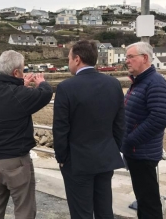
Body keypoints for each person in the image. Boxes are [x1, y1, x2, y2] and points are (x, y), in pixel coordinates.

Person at [53, 40, 125, 219]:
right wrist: (113, 148)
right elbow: (119, 124)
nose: (68, 62)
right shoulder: (113, 84)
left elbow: (60, 129)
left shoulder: (66, 87)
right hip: (105, 158)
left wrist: (62, 158)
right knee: (104, 210)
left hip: (77, 162)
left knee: (81, 212)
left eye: (69, 58)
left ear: (77, 59)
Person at [0, 50, 53, 219]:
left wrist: (21, 85)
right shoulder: (19, 95)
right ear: (16, 73)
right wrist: (42, 82)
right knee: (24, 210)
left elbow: (9, 100)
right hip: (15, 162)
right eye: (23, 70)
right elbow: (45, 94)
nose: (24, 73)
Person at [121, 41, 166, 219]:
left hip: (143, 153)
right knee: (143, 199)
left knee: (149, 202)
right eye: (126, 57)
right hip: (136, 152)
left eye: (130, 57)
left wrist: (130, 140)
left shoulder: (155, 82)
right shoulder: (140, 82)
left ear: (144, 58)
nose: (126, 61)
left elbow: (159, 118)